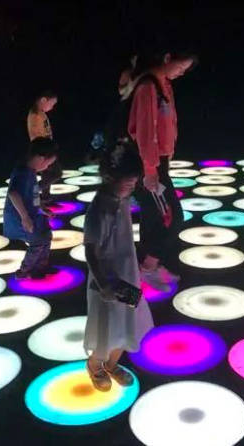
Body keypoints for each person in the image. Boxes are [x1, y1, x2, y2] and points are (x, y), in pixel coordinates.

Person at [83, 144, 153, 392]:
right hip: (108, 281)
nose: (133, 188)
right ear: (110, 178)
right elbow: (90, 250)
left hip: (127, 275)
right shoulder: (99, 210)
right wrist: (104, 284)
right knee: (107, 327)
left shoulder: (121, 200)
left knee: (128, 321)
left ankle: (112, 364)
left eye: (135, 183)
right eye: (129, 183)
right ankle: (95, 365)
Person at [128, 53, 195, 290]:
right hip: (148, 164)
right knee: (172, 217)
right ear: (167, 57)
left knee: (152, 216)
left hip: (158, 161)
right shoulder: (148, 86)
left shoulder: (162, 84)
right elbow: (144, 131)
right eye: (181, 66)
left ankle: (148, 267)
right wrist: (150, 169)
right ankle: (148, 267)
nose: (182, 72)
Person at [3, 137, 58, 279]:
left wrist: (42, 208)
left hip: (32, 214)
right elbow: (13, 193)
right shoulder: (22, 173)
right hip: (20, 217)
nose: (47, 167)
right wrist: (25, 218)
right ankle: (24, 271)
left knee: (46, 235)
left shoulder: (31, 171)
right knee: (37, 241)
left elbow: (32, 193)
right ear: (40, 158)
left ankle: (41, 266)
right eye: (48, 164)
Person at [27, 90, 61, 205]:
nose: (52, 107)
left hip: (45, 149)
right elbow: (36, 136)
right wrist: (45, 151)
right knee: (56, 173)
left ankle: (45, 197)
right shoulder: (35, 115)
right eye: (51, 104)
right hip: (43, 150)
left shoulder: (40, 114)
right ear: (43, 100)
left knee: (48, 174)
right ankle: (33, 191)